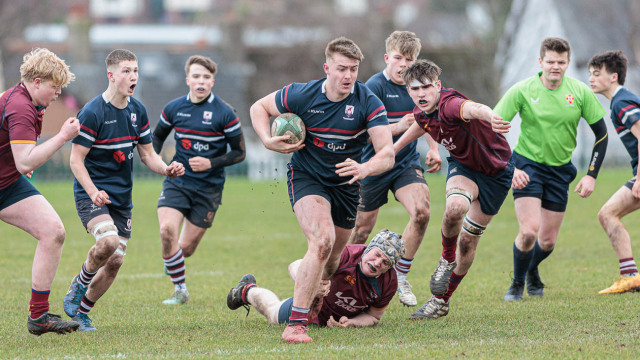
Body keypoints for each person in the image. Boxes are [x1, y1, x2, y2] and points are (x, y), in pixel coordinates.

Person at [250, 36, 394, 343]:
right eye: (342, 69)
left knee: (331, 265)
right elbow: (259, 107)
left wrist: (364, 168)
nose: (348, 76)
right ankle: (296, 325)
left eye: (354, 69)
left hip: (346, 185)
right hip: (307, 177)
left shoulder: (367, 102)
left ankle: (303, 272)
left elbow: (387, 153)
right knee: (322, 239)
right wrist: (266, 139)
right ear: (326, 67)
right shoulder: (302, 94)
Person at [63, 49, 185, 331]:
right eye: (127, 71)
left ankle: (81, 312)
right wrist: (93, 191)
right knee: (107, 244)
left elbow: (148, 155)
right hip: (91, 194)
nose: (133, 76)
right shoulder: (93, 112)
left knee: (115, 260)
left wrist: (166, 168)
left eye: (136, 70)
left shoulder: (137, 111)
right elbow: (75, 160)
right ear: (111, 75)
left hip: (121, 199)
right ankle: (79, 284)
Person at [393, 59, 514, 320]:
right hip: (465, 167)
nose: (421, 94)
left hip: (497, 175)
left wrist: (492, 117)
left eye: (426, 87)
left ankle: (441, 301)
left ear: (438, 85)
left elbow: (473, 108)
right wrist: (391, 151)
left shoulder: (449, 105)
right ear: (409, 91)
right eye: (415, 89)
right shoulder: (422, 112)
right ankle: (447, 259)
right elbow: (420, 123)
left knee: (469, 242)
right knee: (455, 208)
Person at [495, 37, 608, 301]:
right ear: (540, 62)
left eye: (560, 62)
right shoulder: (522, 90)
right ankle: (516, 283)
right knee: (528, 232)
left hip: (560, 172)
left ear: (568, 63)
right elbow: (492, 128)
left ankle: (531, 268)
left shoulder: (580, 92)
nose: (555, 66)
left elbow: (602, 136)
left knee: (546, 242)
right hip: (527, 166)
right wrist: (509, 167)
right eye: (550, 61)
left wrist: (591, 175)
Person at [349, 31, 441, 307]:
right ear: (387, 58)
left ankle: (400, 275)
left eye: (409, 59)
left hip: (404, 164)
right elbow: (363, 131)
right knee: (361, 231)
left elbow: (426, 118)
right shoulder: (372, 87)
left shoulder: (417, 86)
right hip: (373, 165)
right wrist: (397, 127)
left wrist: (434, 149)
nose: (403, 64)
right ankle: (349, 278)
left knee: (422, 213)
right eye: (398, 58)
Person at [152, 55, 245, 305]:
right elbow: (156, 138)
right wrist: (159, 162)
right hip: (178, 181)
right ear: (188, 80)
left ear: (212, 82)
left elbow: (240, 153)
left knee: (187, 249)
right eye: (196, 76)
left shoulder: (225, 114)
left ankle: (173, 260)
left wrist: (211, 163)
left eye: (205, 77)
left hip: (209, 188)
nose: (200, 81)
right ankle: (180, 290)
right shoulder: (174, 108)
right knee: (166, 231)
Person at [0, 48, 80, 335]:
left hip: (6, 184)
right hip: (8, 180)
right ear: (36, 82)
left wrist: (19, 160)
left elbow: (20, 156)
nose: (58, 93)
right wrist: (62, 136)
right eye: (53, 86)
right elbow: (25, 161)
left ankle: (39, 317)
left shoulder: (30, 102)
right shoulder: (21, 106)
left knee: (53, 231)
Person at [226, 230, 404, 333]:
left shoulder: (389, 283)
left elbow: (373, 317)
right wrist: (311, 284)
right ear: (369, 249)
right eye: (377, 254)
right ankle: (246, 290)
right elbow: (294, 266)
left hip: (337, 317)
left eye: (385, 263)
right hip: (309, 305)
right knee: (273, 314)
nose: (377, 263)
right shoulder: (345, 255)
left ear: (389, 268)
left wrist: (352, 323)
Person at [587, 50, 640, 294]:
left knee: (608, 214)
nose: (591, 79)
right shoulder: (620, 101)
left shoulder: (621, 102)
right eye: (590, 74)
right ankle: (630, 276)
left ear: (614, 77)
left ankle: (630, 276)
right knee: (607, 214)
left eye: (597, 74)